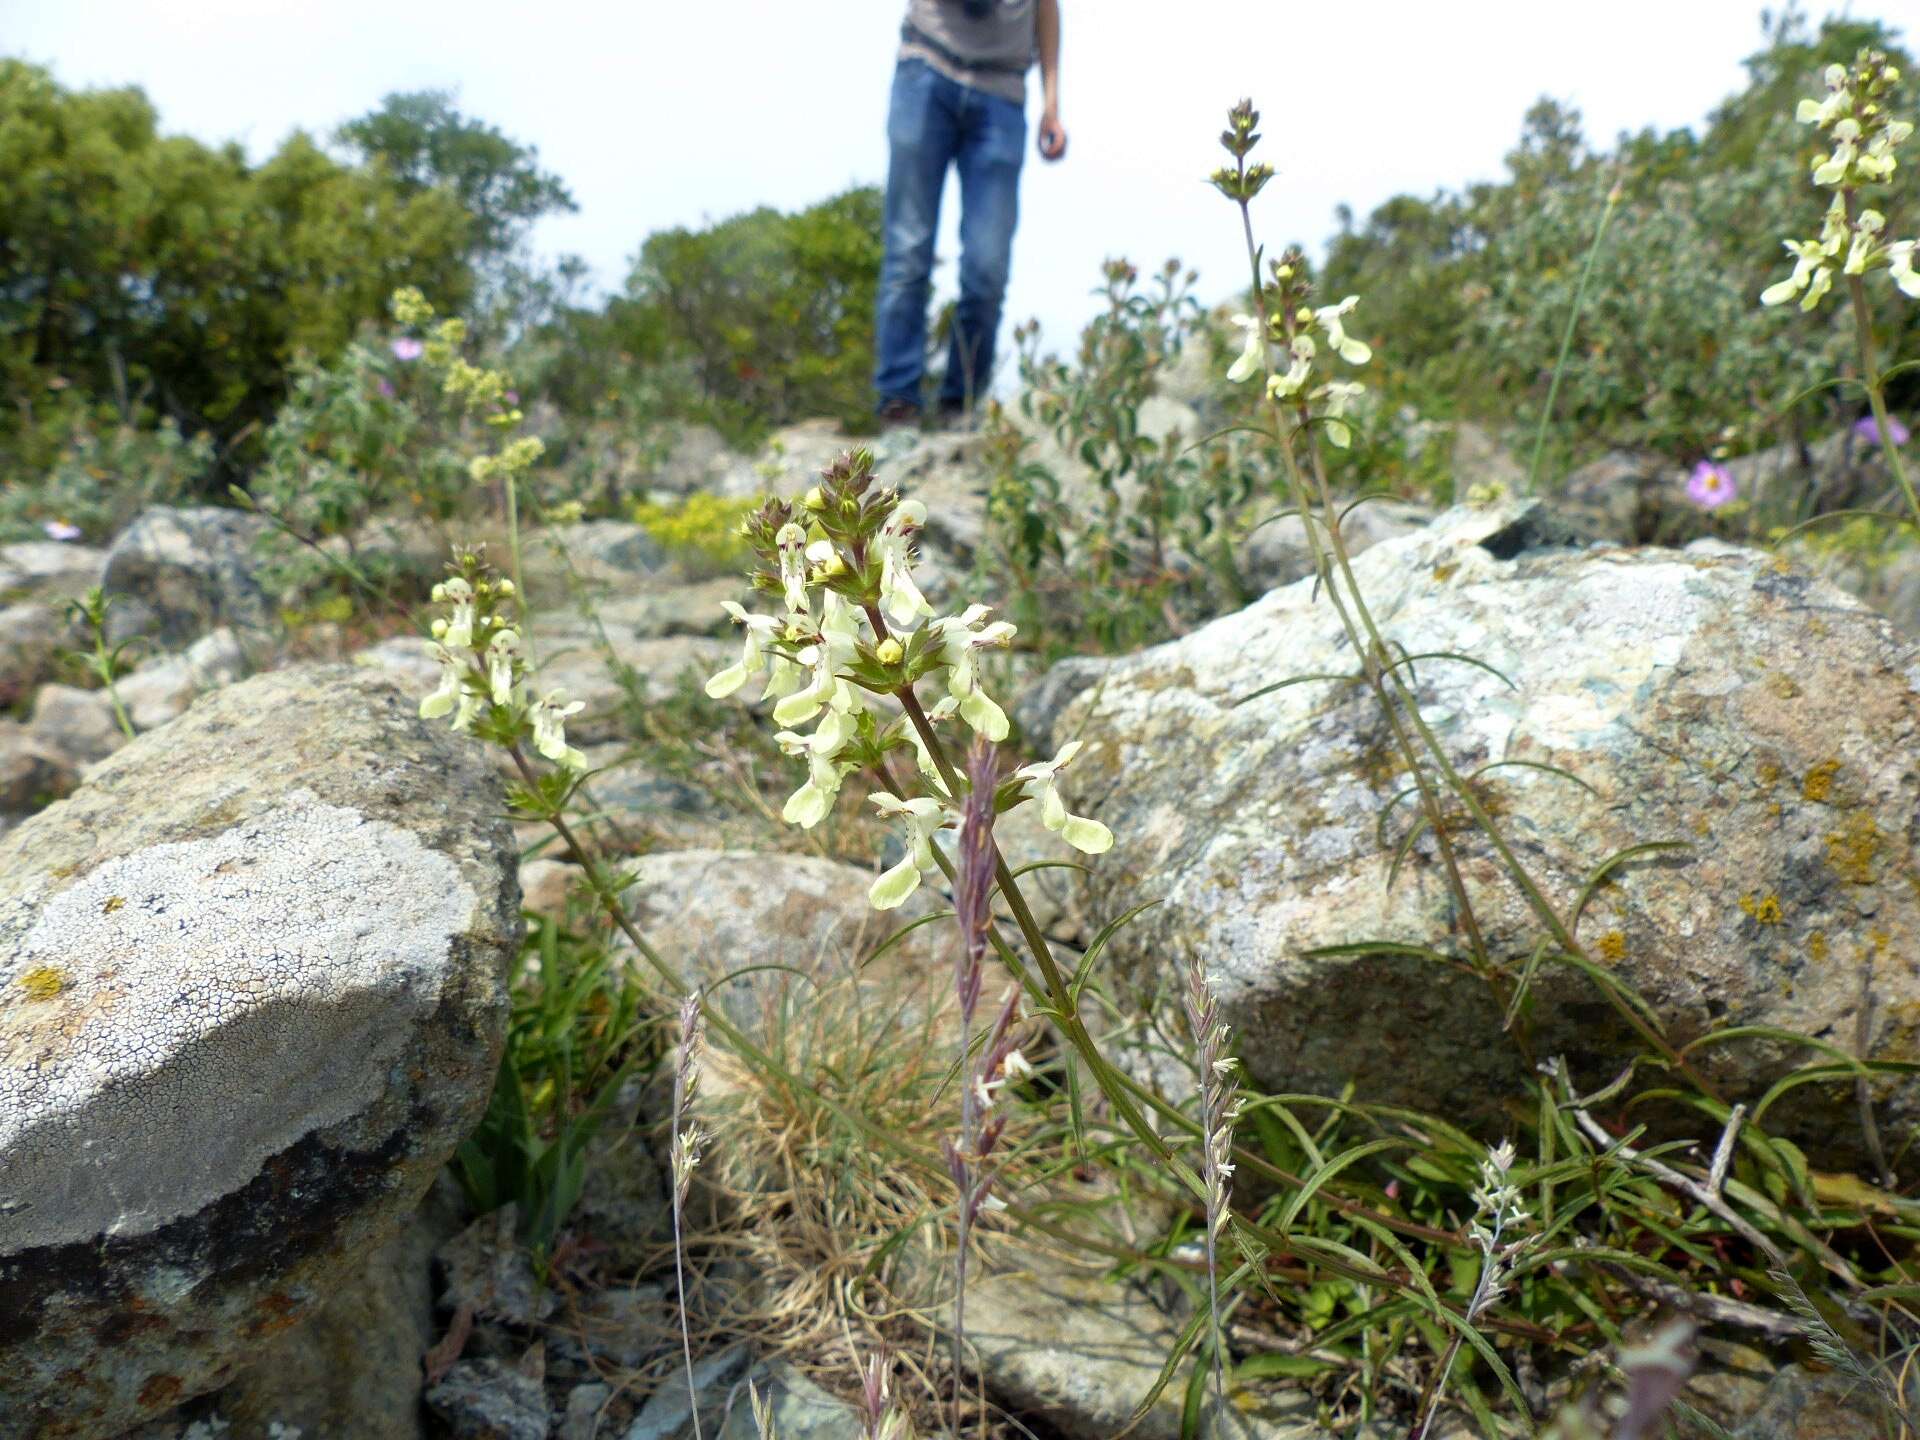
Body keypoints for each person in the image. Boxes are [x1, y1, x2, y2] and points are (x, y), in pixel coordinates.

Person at [872, 0, 1065, 427]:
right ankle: (898, 407)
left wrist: (1051, 102)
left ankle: (959, 409)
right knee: (908, 248)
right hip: (927, 67)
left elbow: (1047, 7)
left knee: (988, 267)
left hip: (1002, 92)